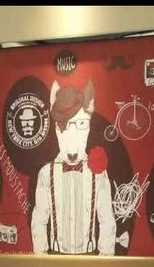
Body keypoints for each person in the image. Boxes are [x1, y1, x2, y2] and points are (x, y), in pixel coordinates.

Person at [31, 80, 115, 255]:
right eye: (65, 127)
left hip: (90, 258)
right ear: (56, 128)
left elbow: (107, 219)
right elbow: (39, 220)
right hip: (55, 258)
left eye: (81, 125)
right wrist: (41, 259)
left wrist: (105, 259)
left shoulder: (98, 174)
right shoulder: (46, 174)